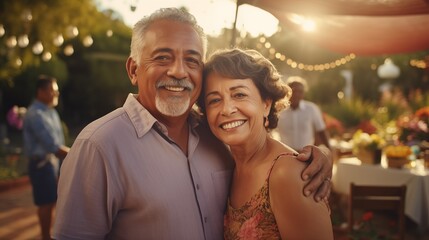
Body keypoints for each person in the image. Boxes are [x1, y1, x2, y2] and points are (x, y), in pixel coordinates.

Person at [53, 8, 332, 239]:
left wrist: (316, 157)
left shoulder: (214, 138)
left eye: (191, 60)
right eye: (162, 57)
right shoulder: (99, 147)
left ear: (266, 103)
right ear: (134, 69)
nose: (178, 71)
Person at [199, 48, 333, 239]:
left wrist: (326, 151)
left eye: (239, 95)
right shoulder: (228, 165)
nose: (227, 109)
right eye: (214, 100)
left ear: (266, 104)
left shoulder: (287, 174)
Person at [22, 75, 70, 240]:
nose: (56, 94)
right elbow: (52, 146)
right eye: (53, 91)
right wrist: (79, 154)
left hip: (52, 164)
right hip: (42, 165)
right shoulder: (36, 114)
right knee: (46, 203)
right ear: (41, 92)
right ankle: (45, 236)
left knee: (52, 202)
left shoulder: (50, 111)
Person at [277, 76, 331, 151]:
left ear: (303, 93)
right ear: (287, 92)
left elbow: (321, 131)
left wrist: (329, 150)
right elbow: (270, 132)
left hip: (307, 155)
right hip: (285, 155)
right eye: (294, 91)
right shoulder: (279, 110)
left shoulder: (311, 109)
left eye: (300, 91)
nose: (297, 94)